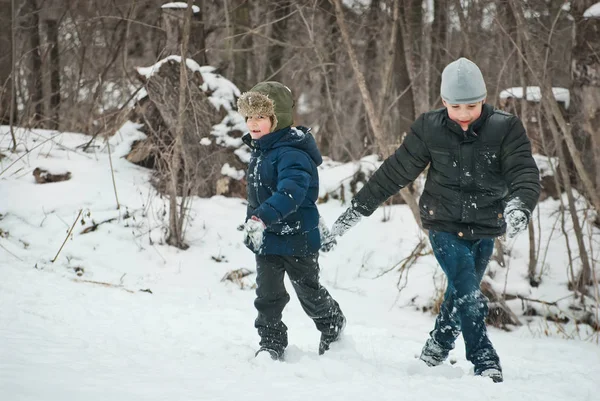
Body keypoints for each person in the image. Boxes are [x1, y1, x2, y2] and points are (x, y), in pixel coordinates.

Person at [325, 58, 540, 382]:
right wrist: (353, 214)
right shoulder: (430, 128)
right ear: (444, 103)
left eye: (471, 106)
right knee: (468, 291)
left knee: (459, 291)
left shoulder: (505, 128)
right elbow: (393, 174)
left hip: (485, 225)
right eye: (456, 107)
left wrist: (520, 206)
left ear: (484, 99)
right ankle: (484, 360)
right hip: (444, 225)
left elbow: (523, 171)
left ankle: (435, 349)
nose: (465, 114)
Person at [238, 81, 346, 361]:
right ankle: (271, 343)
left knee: (308, 293)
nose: (253, 123)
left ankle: (332, 325)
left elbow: (291, 192)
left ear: (278, 119)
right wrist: (255, 222)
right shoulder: (262, 149)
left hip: (297, 237)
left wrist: (262, 216)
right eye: (249, 116)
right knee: (268, 296)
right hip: (268, 239)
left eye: (260, 116)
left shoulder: (292, 153)